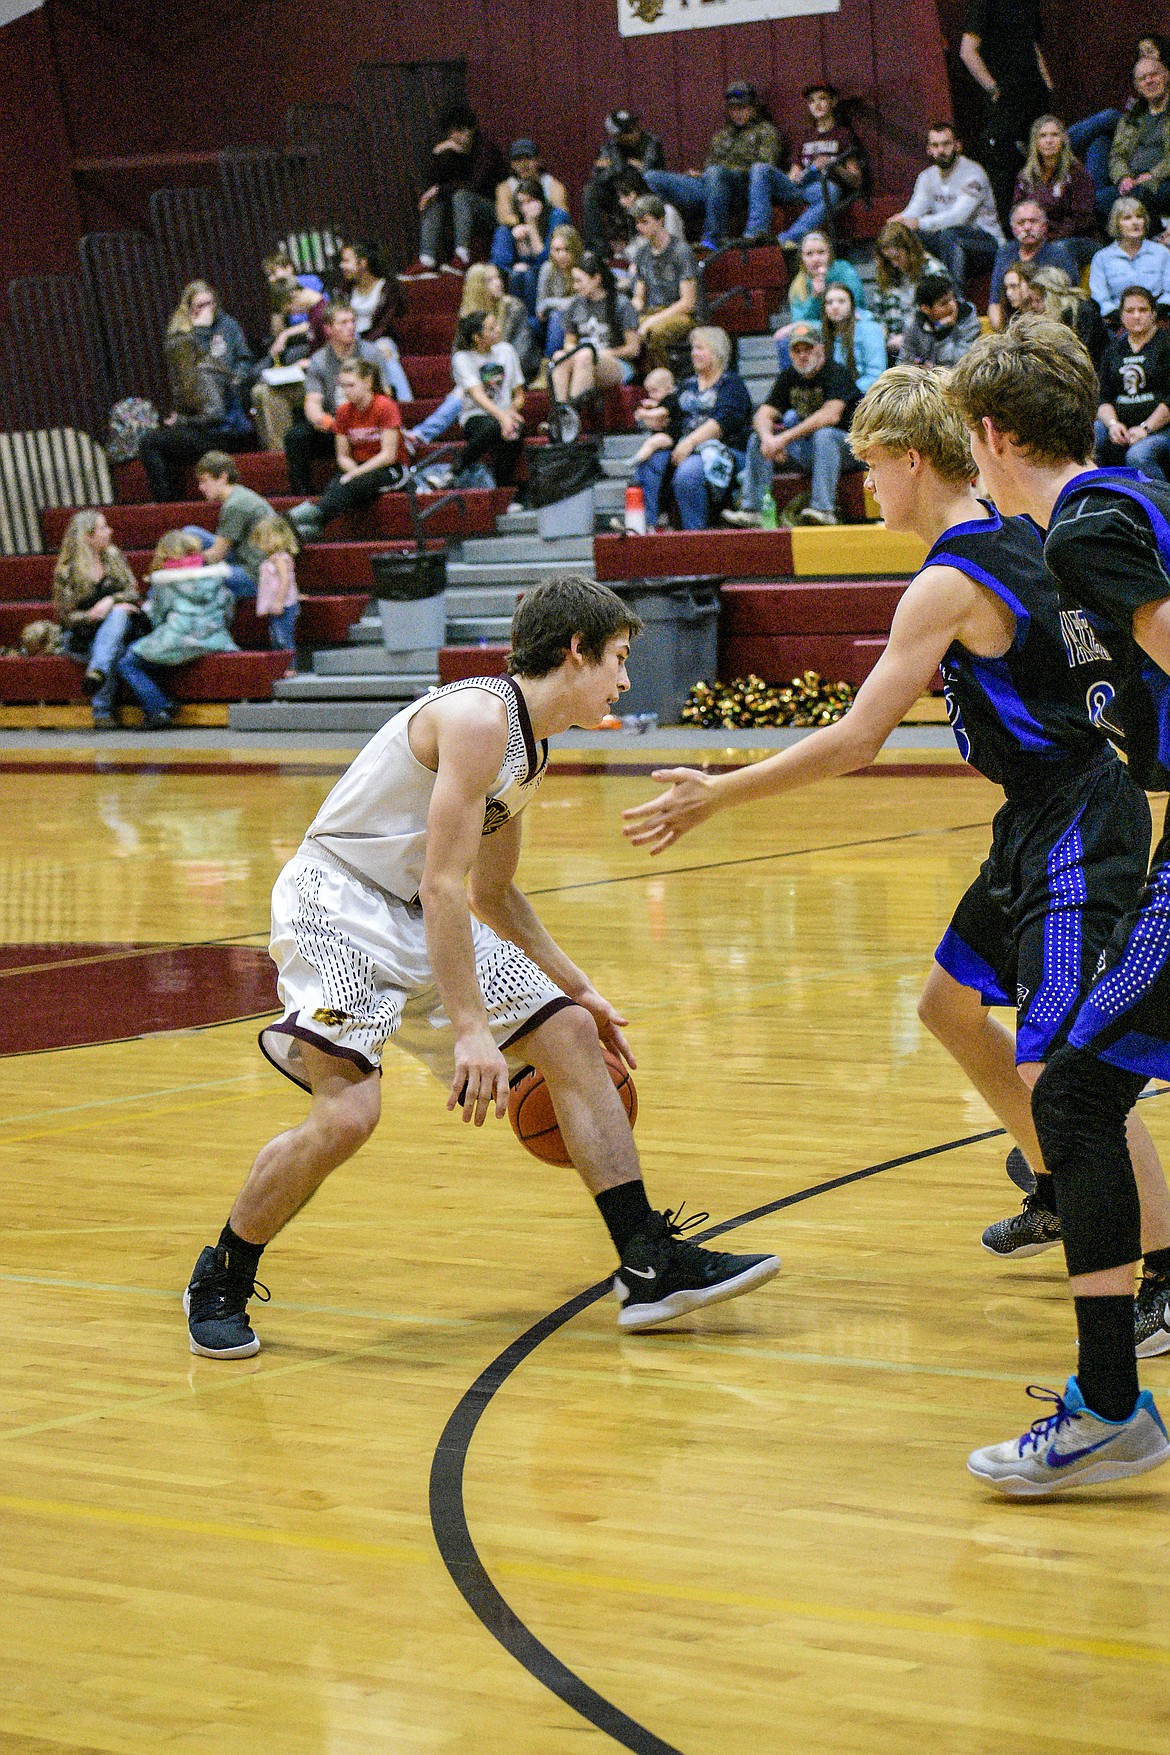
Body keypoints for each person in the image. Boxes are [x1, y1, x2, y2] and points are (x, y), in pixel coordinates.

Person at [629, 356, 1170, 1476]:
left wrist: (715, 793)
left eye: (872, 470)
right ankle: (1073, 1198)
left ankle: (1151, 1270)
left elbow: (857, 741)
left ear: (923, 459)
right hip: (1041, 813)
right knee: (946, 1006)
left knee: (1074, 1070)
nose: (864, 490)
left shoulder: (959, 572)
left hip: (1074, 818)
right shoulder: (1035, 534)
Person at [182, 575, 781, 1358]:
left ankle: (647, 1262)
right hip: (337, 901)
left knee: (567, 1032)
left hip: (410, 911)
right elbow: (441, 884)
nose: (627, 679)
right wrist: (471, 1030)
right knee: (348, 1116)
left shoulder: (530, 750)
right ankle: (221, 1270)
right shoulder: (476, 718)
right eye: (619, 658)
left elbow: (493, 894)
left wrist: (580, 987)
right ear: (576, 651)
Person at [944, 315, 1170, 1489]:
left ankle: (1112, 1411)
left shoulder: (1086, 534)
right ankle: (1111, 1401)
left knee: (1074, 1099)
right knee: (1079, 1094)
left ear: (988, 436)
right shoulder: (1126, 500)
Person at [724, 319, 860, 528]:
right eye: (797, 350)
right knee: (756, 439)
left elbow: (830, 416)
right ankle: (752, 510)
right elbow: (762, 414)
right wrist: (769, 440)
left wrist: (783, 439)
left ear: (820, 349)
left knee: (824, 435)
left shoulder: (837, 373)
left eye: (808, 348)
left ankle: (823, 509)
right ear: (789, 353)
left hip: (850, 450)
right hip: (811, 451)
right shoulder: (789, 377)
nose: (803, 355)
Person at [138, 281, 255, 502]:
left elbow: (215, 407)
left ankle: (167, 504)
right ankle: (169, 500)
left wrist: (182, 421)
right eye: (199, 305)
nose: (206, 310)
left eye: (210, 303)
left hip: (223, 426)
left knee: (151, 443)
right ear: (189, 308)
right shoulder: (182, 340)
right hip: (202, 420)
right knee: (157, 441)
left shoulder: (224, 328)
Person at [633, 327, 751, 530]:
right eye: (693, 348)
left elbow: (721, 424)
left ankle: (694, 534)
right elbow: (674, 414)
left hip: (722, 449)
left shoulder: (732, 384)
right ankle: (649, 526)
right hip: (685, 446)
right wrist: (656, 419)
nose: (693, 353)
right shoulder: (687, 385)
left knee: (688, 472)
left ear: (716, 352)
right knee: (650, 460)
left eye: (700, 348)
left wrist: (689, 442)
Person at [117, 531, 237, 730]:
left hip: (179, 637)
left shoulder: (166, 581)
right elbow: (228, 607)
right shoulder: (216, 576)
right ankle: (162, 702)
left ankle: (159, 708)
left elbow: (157, 616)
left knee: (128, 661)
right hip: (216, 638)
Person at [645, 81, 781, 251]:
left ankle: (712, 239)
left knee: (716, 173)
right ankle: (665, 241)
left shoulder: (766, 132)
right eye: (733, 109)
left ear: (753, 107)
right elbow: (711, 165)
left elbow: (764, 170)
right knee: (652, 178)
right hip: (712, 187)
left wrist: (718, 173)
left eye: (743, 108)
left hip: (740, 190)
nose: (737, 113)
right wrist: (701, 175)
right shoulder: (722, 135)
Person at [288, 359, 405, 539]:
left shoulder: (385, 406)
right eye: (343, 386)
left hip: (390, 469)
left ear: (367, 382)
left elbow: (388, 455)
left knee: (355, 482)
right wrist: (355, 472)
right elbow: (342, 455)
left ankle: (313, 516)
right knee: (338, 482)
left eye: (351, 385)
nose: (346, 391)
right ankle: (315, 523)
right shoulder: (343, 411)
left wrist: (357, 474)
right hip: (359, 466)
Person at [283, 304, 392, 495]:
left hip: (368, 422)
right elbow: (312, 403)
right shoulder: (319, 360)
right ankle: (303, 496)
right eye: (343, 323)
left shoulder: (371, 354)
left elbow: (386, 394)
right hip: (335, 424)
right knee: (296, 437)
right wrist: (329, 423)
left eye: (352, 322)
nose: (351, 327)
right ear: (328, 329)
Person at [959, 0, 1052, 220]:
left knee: (1041, 167)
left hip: (1035, 98)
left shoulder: (1029, 5)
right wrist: (994, 90)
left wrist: (1047, 82)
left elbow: (1031, 45)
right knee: (1006, 173)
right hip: (1006, 104)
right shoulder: (984, 5)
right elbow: (967, 51)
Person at [744, 82, 869, 245]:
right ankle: (755, 233)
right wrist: (793, 175)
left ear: (833, 101)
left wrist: (833, 166)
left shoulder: (843, 135)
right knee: (760, 169)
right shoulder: (805, 135)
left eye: (822, 99)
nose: (816, 105)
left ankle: (786, 239)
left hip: (821, 186)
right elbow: (795, 169)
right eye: (811, 101)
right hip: (800, 184)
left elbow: (856, 180)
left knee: (829, 191)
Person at [52, 510, 142, 730]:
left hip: (120, 624)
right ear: (87, 536)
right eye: (102, 528)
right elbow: (65, 616)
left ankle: (98, 679)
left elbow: (133, 592)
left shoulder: (113, 555)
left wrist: (111, 600)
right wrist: (90, 615)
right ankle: (101, 702)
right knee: (111, 646)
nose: (109, 531)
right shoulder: (67, 570)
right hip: (83, 633)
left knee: (119, 614)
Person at [894, 122, 1005, 294]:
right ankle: (906, 297)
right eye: (935, 145)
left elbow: (958, 217)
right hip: (950, 243)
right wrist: (899, 222)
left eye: (946, 144)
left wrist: (918, 223)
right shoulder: (927, 177)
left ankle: (955, 299)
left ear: (958, 146)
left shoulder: (974, 173)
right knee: (904, 235)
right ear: (929, 149)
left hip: (987, 244)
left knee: (950, 235)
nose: (941, 150)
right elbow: (914, 210)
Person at [408, 104, 505, 277]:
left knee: (461, 196)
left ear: (472, 129)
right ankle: (426, 259)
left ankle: (463, 256)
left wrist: (439, 189)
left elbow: (474, 185)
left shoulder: (486, 150)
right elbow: (433, 183)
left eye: (460, 131)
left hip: (493, 210)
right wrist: (439, 155)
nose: (455, 137)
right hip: (462, 212)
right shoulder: (452, 150)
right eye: (451, 132)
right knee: (435, 200)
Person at [1094, 285, 1170, 476]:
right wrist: (1112, 424)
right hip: (1122, 427)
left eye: (1143, 310)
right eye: (1130, 311)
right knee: (1091, 436)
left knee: (1138, 455)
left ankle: (1161, 503)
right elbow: (1103, 398)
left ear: (1153, 314)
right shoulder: (1113, 350)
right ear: (1121, 316)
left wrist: (1146, 428)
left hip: (1160, 429)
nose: (1136, 316)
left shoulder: (1166, 344)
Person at [1012, 116, 1099, 272]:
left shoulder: (1077, 173)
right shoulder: (1025, 177)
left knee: (1057, 249)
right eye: (1043, 136)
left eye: (1054, 135)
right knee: (1007, 249)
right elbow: (1017, 212)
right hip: (1036, 238)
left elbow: (1083, 218)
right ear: (1035, 143)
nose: (1049, 141)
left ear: (1063, 140)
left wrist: (1048, 237)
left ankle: (1066, 296)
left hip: (1077, 239)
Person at [451, 310, 525, 489]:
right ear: (477, 337)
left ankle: (505, 489)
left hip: (506, 412)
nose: (498, 330)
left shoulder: (506, 350)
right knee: (494, 426)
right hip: (476, 416)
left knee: (514, 432)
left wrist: (511, 412)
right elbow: (478, 395)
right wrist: (503, 417)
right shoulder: (462, 358)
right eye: (492, 328)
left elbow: (520, 394)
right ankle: (458, 466)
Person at [551, 253, 641, 402]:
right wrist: (575, 351)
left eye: (579, 281)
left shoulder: (621, 303)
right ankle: (562, 412)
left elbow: (633, 349)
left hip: (616, 363)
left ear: (596, 279)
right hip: (583, 358)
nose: (575, 286)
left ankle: (574, 411)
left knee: (585, 355)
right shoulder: (575, 305)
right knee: (559, 357)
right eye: (574, 281)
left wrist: (604, 353)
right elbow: (569, 343)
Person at [188, 452, 274, 600]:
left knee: (188, 578)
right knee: (190, 533)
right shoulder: (239, 495)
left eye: (204, 481)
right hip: (248, 557)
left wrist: (182, 562)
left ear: (222, 477)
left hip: (255, 575)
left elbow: (216, 555)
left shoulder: (235, 505)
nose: (201, 488)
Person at [629, 196, 700, 372]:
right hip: (651, 312)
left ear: (660, 220)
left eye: (644, 222)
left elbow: (687, 303)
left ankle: (663, 380)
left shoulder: (681, 252)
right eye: (637, 223)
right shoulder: (642, 254)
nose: (639, 227)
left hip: (680, 314)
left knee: (655, 332)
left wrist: (651, 320)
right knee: (625, 331)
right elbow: (639, 297)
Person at [581, 109, 665, 253]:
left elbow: (646, 173)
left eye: (634, 127)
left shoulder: (651, 143)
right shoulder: (609, 148)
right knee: (591, 191)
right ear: (616, 135)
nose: (633, 133)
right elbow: (599, 176)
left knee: (632, 180)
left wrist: (617, 167)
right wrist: (626, 166)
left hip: (644, 193)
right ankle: (597, 248)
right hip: (616, 194)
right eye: (627, 131)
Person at [1100, 56, 1170, 227]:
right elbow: (1116, 155)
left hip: (1163, 180)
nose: (1149, 81)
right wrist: (1123, 177)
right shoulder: (1131, 117)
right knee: (1100, 201)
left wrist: (1152, 175)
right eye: (1142, 78)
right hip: (1133, 181)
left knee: (1141, 196)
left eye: (1154, 75)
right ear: (1137, 86)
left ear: (1166, 76)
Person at [337, 239, 411, 402]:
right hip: (350, 338)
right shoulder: (345, 290)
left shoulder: (388, 288)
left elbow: (385, 324)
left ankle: (406, 403)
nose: (342, 266)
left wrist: (363, 344)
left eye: (346, 261)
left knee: (384, 351)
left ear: (363, 262)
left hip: (379, 338)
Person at [987, 199, 1077, 330]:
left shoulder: (1059, 254)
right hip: (1014, 325)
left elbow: (1067, 301)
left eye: (1033, 221)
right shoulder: (1005, 252)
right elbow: (995, 301)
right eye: (1021, 223)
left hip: (1050, 324)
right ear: (1013, 229)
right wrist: (1002, 333)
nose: (1028, 227)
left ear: (1045, 226)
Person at [776, 230, 867, 356]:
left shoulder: (845, 271)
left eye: (821, 252)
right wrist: (814, 297)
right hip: (818, 333)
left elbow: (854, 311)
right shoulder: (798, 285)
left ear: (830, 254)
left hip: (848, 327)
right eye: (809, 254)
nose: (815, 259)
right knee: (785, 340)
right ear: (802, 258)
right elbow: (800, 323)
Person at [490, 179, 572, 316]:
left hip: (553, 273)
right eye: (521, 203)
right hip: (522, 275)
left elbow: (549, 258)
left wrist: (532, 225)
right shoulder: (514, 223)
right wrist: (517, 248)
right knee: (518, 273)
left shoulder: (557, 217)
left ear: (541, 200)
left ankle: (532, 322)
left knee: (528, 275)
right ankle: (517, 320)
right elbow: (499, 262)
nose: (526, 208)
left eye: (531, 201)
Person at [1089, 196, 1170, 322]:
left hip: (1158, 319)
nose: (1135, 222)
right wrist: (1121, 317)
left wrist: (1155, 313)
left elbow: (1169, 293)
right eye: (1127, 218)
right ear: (1116, 224)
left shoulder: (1162, 253)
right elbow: (1101, 298)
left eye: (1139, 216)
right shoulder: (1102, 258)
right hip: (1117, 322)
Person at [872, 221, 946, 357]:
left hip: (929, 345)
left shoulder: (933, 272)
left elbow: (943, 319)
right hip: (892, 346)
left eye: (897, 257)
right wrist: (881, 335)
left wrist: (908, 340)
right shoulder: (886, 273)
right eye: (888, 259)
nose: (893, 264)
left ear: (910, 250)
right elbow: (878, 314)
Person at [459, 262, 539, 381]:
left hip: (512, 373)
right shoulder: (468, 315)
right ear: (477, 286)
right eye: (490, 280)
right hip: (479, 377)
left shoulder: (514, 308)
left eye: (498, 278)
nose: (499, 283)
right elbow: (459, 355)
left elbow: (521, 353)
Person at [899, 273, 981, 369]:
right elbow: (903, 360)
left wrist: (942, 333)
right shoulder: (915, 323)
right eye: (944, 303)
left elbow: (960, 361)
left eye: (953, 298)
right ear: (925, 309)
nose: (953, 305)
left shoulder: (967, 318)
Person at [820, 282, 888, 395]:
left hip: (864, 395)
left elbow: (877, 374)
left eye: (841, 301)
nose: (835, 306)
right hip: (834, 396)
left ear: (852, 305)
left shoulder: (870, 329)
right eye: (829, 302)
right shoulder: (822, 333)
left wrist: (845, 394)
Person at [495, 139, 568, 233]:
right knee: (502, 231)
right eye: (518, 160)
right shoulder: (505, 188)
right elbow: (503, 217)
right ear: (512, 164)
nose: (523, 164)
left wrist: (537, 222)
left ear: (538, 161)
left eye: (528, 158)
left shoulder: (553, 185)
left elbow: (562, 213)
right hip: (521, 232)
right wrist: (527, 223)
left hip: (548, 232)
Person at [252, 514, 300, 656]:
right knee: (276, 636)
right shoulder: (273, 559)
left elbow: (286, 580)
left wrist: (279, 601)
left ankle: (289, 666)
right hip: (275, 604)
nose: (261, 545)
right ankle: (281, 664)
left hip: (283, 604)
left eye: (265, 540)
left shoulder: (280, 559)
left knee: (283, 636)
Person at [535, 224, 583, 357]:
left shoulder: (583, 266)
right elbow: (540, 308)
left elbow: (581, 301)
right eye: (556, 250)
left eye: (566, 249)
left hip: (581, 317)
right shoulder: (547, 269)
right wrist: (550, 305)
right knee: (553, 317)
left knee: (559, 316)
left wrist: (549, 303)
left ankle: (550, 362)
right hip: (551, 320)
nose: (561, 255)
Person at [629, 367, 683, 468]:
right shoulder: (662, 400)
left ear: (668, 388)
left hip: (673, 436)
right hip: (664, 432)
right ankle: (640, 458)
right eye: (649, 392)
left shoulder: (671, 399)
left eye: (654, 391)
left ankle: (637, 459)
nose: (651, 395)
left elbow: (662, 412)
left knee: (652, 442)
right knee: (650, 441)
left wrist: (645, 414)